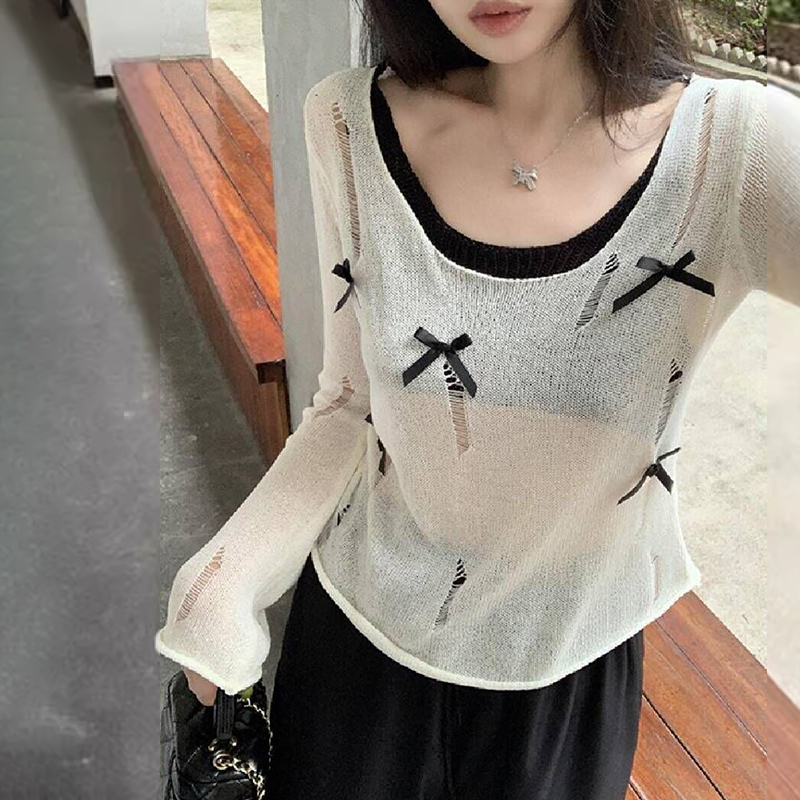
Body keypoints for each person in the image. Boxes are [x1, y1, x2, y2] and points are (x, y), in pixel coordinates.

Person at [158, 1, 799, 797]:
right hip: (358, 652)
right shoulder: (351, 124)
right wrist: (224, 579)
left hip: (561, 671)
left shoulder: (727, 151)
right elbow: (350, 406)